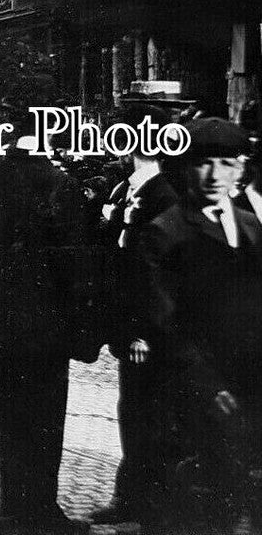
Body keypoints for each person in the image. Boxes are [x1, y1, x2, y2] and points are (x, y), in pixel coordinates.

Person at [0, 125, 95, 535]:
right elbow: (76, 263)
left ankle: (11, 515)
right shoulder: (60, 184)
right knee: (45, 421)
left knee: (10, 422)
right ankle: (41, 513)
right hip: (47, 326)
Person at [139, 118, 262, 534]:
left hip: (247, 388)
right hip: (193, 396)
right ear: (186, 168)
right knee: (194, 507)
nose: (214, 175)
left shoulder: (250, 227)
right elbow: (166, 324)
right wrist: (210, 386)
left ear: (241, 169)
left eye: (226, 163)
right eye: (202, 163)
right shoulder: (165, 232)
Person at [90, 106, 179, 528]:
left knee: (150, 415)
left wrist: (142, 330)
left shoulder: (164, 194)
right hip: (128, 324)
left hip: (149, 332)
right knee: (133, 411)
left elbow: (154, 272)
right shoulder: (126, 189)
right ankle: (130, 497)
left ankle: (148, 504)